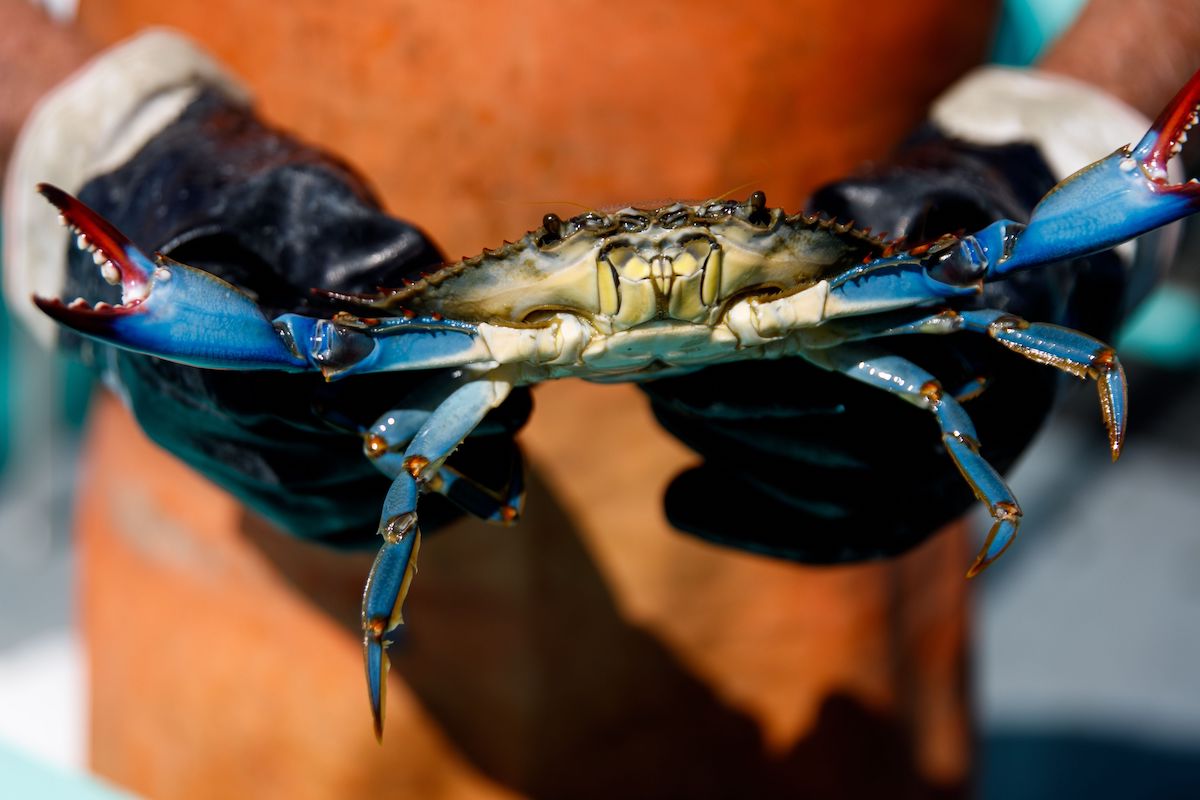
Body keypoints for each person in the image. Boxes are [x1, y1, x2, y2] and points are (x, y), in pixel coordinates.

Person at [2, 0, 1197, 797]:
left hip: (822, 687)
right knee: (367, 417)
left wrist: (1064, 146)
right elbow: (313, 343)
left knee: (959, 320)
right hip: (236, 688)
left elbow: (987, 280)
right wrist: (111, 143)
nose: (654, 273)